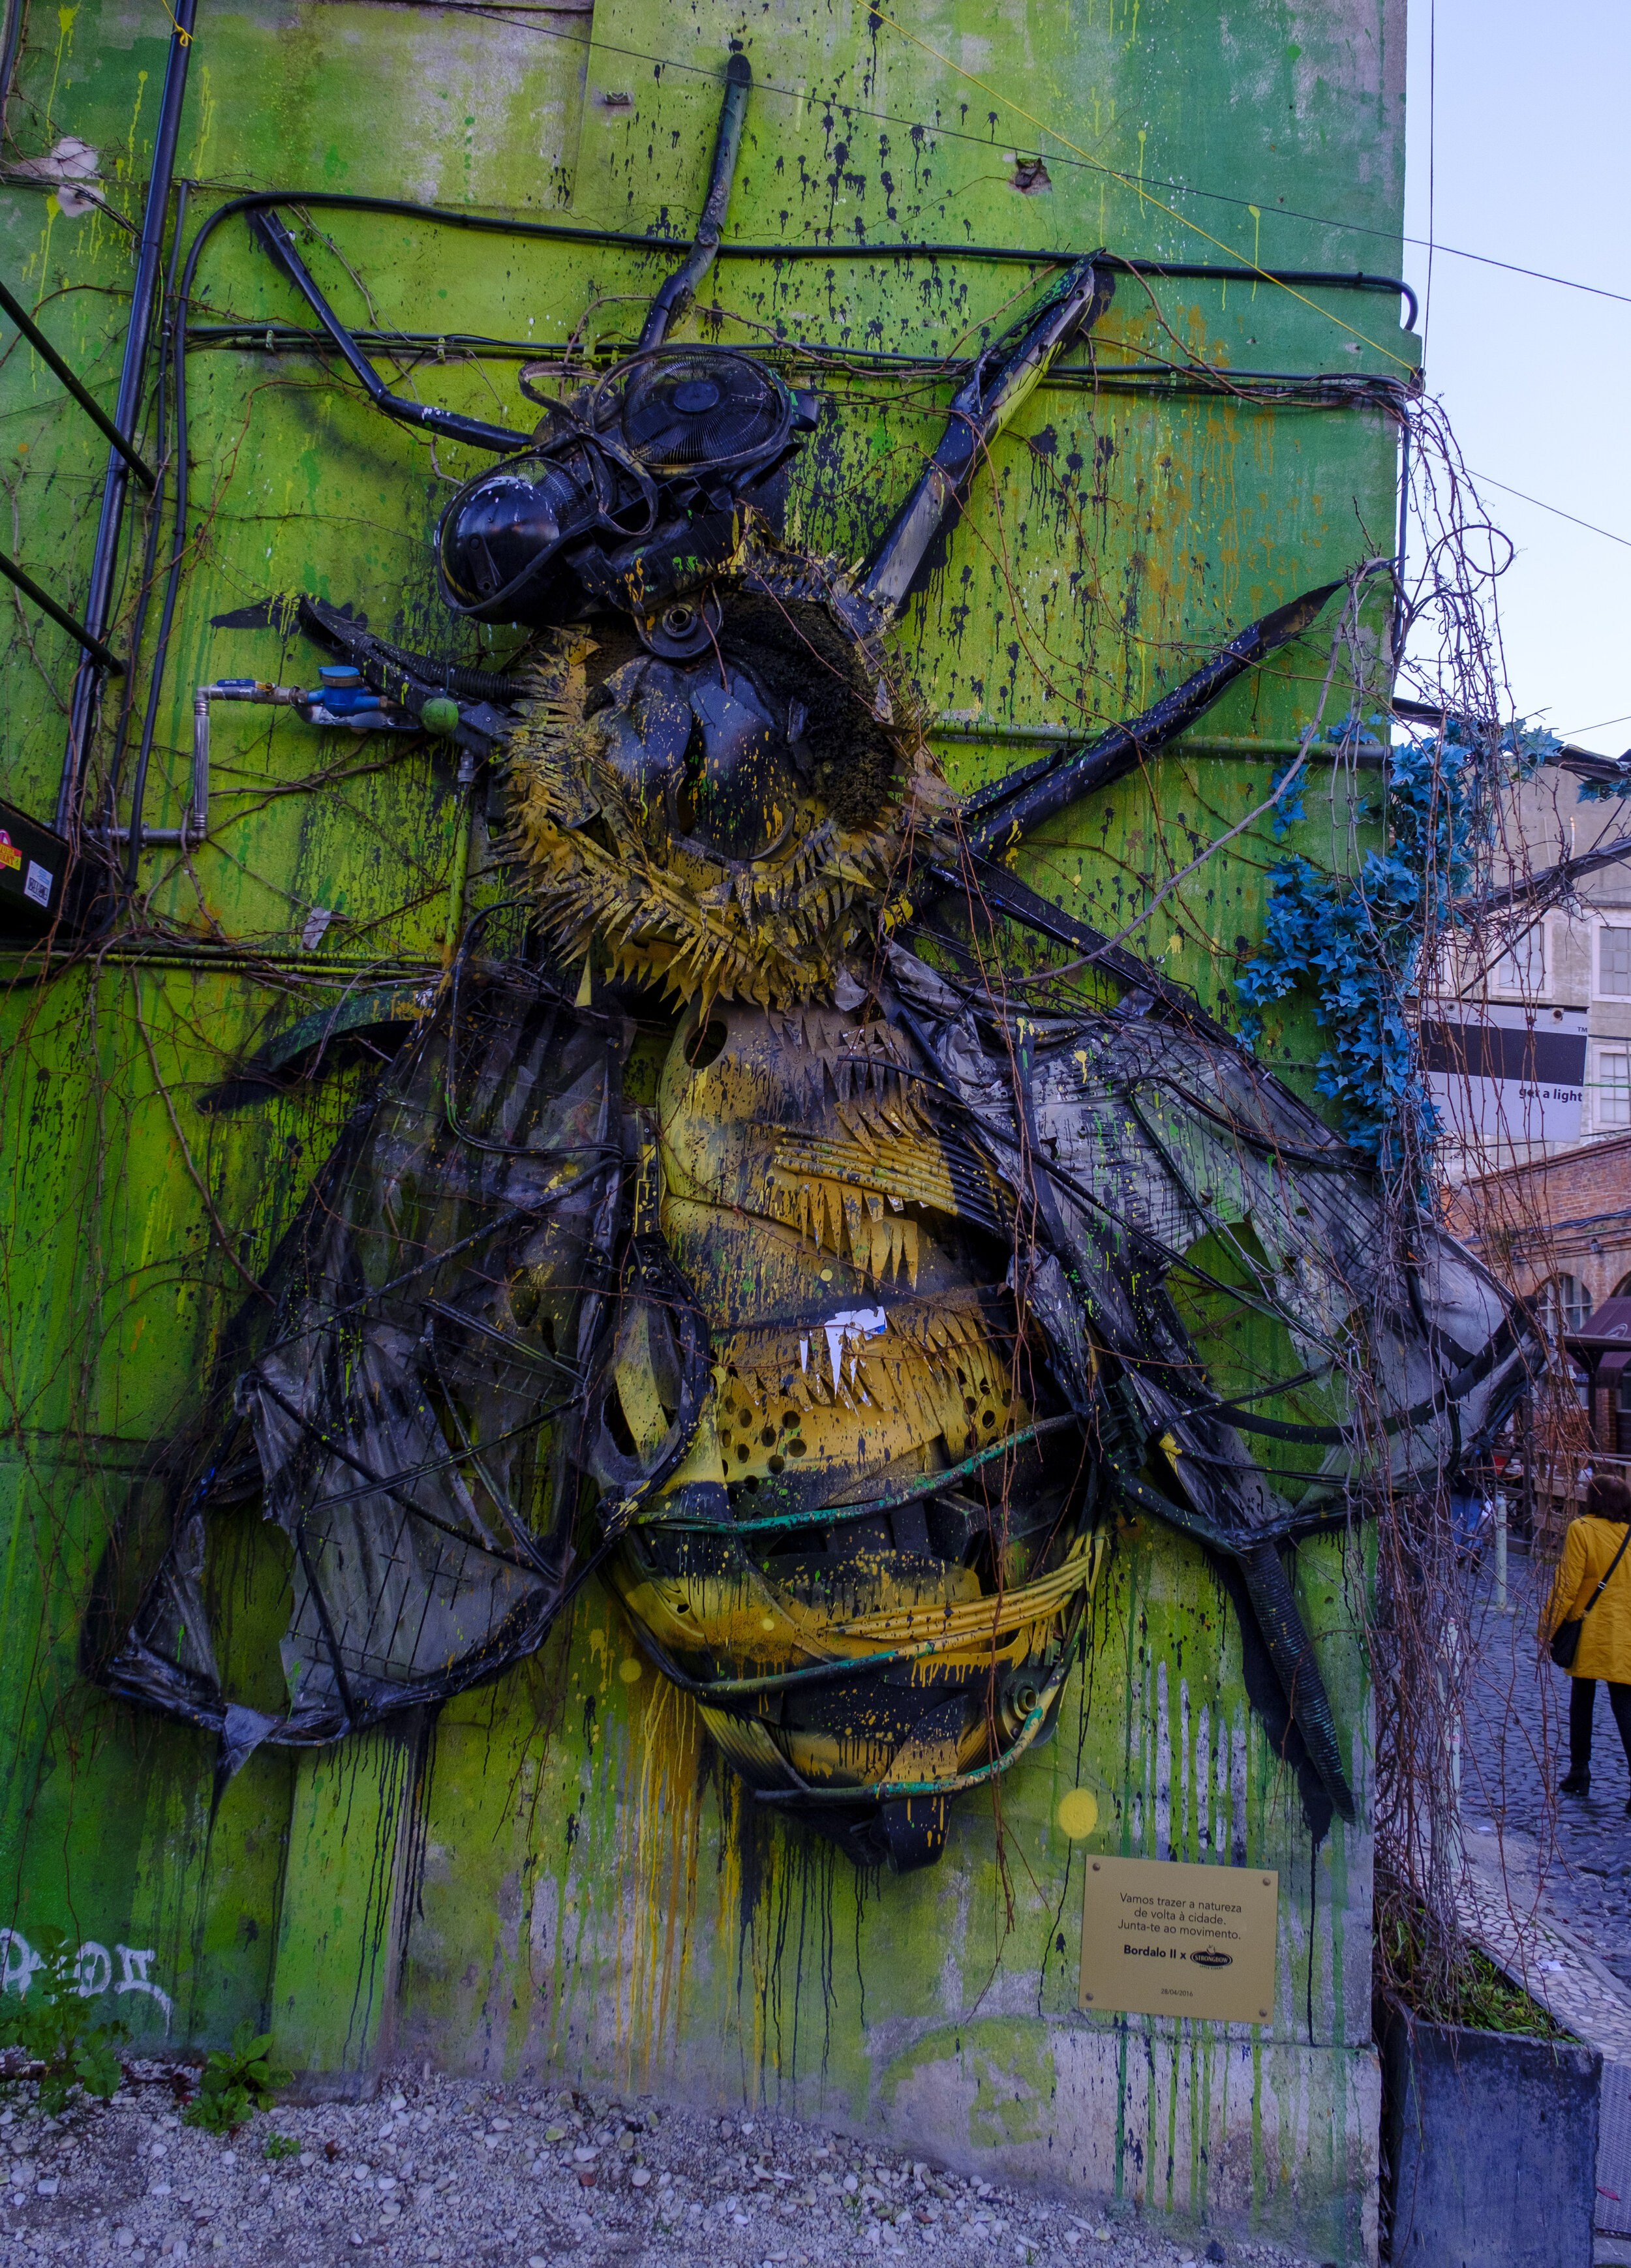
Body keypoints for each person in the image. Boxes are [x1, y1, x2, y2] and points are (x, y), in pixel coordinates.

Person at [1542, 1471, 1631, 1808]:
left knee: (1582, 1699)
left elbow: (1567, 1584)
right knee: (1625, 1705)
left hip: (1590, 1629)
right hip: (1625, 1633)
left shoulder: (1582, 1530)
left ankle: (1580, 1771)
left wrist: (1547, 1628)